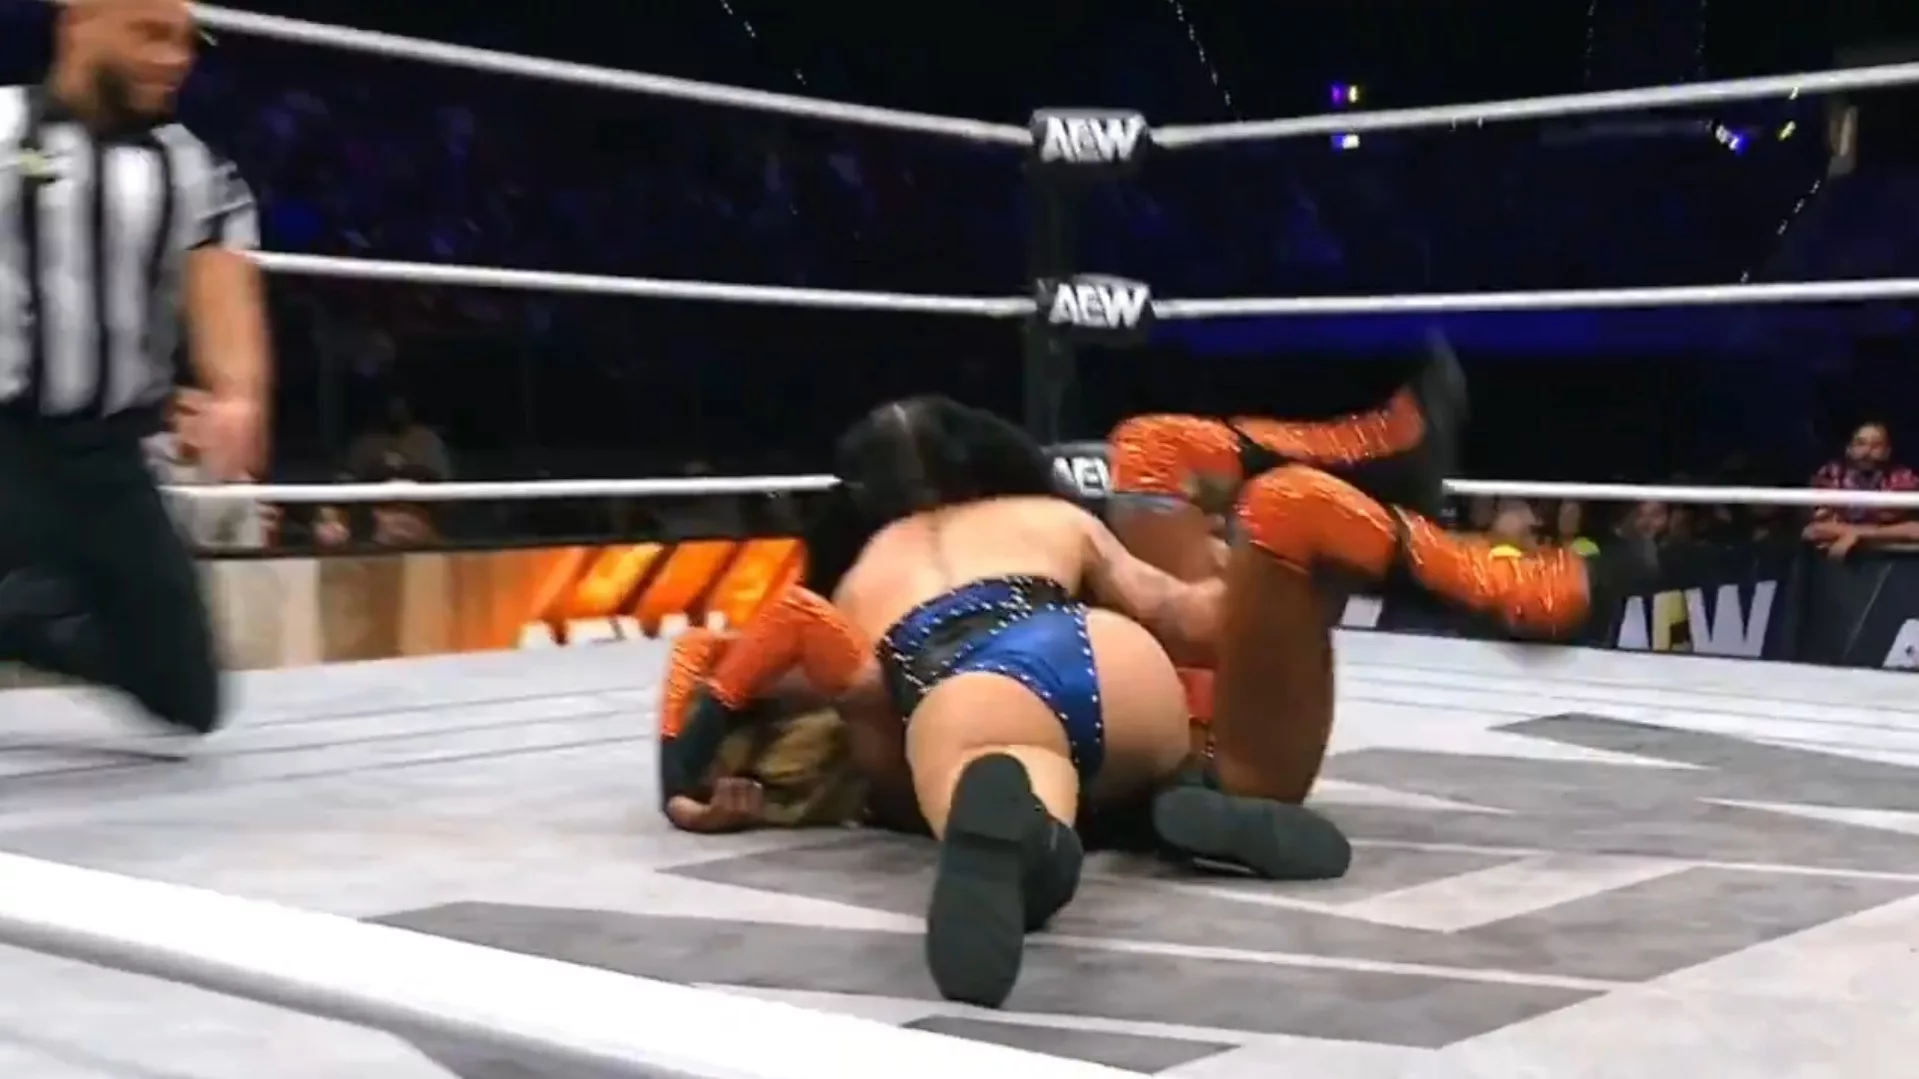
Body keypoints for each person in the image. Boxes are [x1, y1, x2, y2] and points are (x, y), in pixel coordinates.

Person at [664, 397, 1349, 1009]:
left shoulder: (864, 574)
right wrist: (1272, 586)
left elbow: (769, 674)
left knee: (1003, 767)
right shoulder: (1054, 519)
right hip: (1108, 652)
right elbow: (1183, 616)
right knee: (1144, 744)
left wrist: (682, 780)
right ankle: (1174, 799)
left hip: (969, 685)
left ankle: (1039, 851)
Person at [1106, 348, 1653, 804]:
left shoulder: (1066, 543)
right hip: (1203, 756)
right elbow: (1186, 617)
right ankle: (1514, 592)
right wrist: (1234, 598)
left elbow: (1174, 614)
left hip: (1154, 701)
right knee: (1287, 507)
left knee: (1152, 449)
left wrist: (1220, 595)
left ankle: (1372, 448)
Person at [0, 0, 270, 744]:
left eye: (186, 41)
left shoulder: (193, 167)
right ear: (79, 22)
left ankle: (20, 617)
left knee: (191, 701)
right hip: (6, 442)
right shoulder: (3, 128)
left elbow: (221, 283)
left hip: (111, 457)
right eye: (150, 34)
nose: (176, 58)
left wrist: (237, 394)